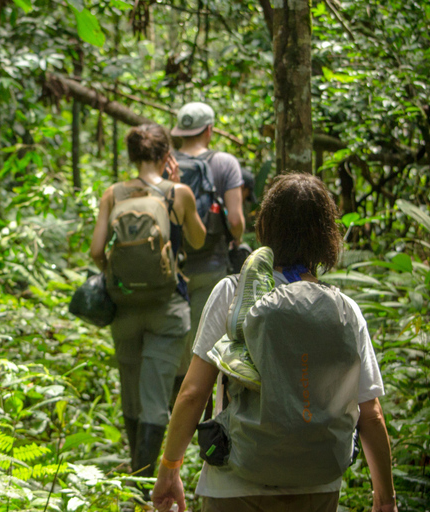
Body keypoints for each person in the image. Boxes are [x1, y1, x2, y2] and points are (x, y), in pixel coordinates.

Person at [151, 173, 398, 512]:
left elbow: (194, 393)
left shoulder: (232, 293)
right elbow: (370, 415)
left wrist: (169, 469)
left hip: (235, 484)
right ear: (328, 236)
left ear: (264, 225)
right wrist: (385, 498)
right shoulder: (344, 310)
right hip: (318, 485)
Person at [89, 124, 206, 497]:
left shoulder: (113, 194)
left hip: (124, 309)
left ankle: (135, 480)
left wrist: (119, 278)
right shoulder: (178, 193)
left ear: (132, 155)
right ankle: (143, 489)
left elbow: (95, 251)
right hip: (166, 309)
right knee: (156, 397)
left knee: (132, 395)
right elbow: (198, 240)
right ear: (165, 154)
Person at [167, 102, 245, 396]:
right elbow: (235, 220)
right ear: (209, 130)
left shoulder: (166, 164)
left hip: (172, 268)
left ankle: (176, 414)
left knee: (178, 348)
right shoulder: (225, 163)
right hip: (212, 267)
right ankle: (211, 420)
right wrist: (236, 237)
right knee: (209, 347)